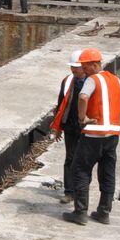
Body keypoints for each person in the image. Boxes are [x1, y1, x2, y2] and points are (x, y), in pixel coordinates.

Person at [62, 49, 120, 226]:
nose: (83, 71)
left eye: (85, 67)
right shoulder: (116, 80)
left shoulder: (93, 79)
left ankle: (80, 212)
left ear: (94, 65)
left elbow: (83, 96)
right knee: (107, 173)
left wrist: (82, 119)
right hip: (112, 135)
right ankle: (104, 212)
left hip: (94, 134)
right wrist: (113, 115)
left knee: (80, 170)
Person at [49, 50, 86, 204]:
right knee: (70, 158)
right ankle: (69, 192)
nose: (73, 69)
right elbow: (60, 105)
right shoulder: (68, 81)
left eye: (76, 67)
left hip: (87, 128)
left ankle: (81, 191)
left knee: (84, 160)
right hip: (71, 126)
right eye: (72, 67)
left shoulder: (93, 81)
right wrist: (57, 127)